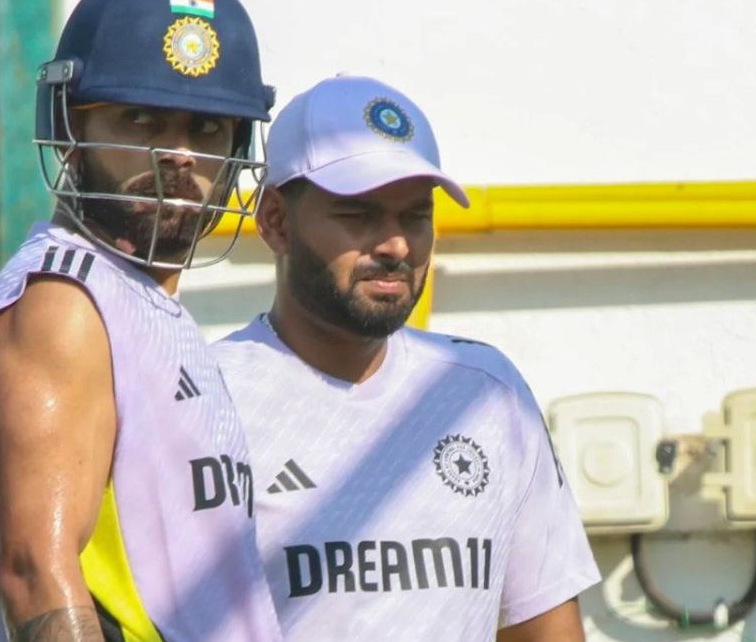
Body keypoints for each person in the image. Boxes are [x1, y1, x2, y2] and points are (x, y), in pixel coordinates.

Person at [0, 0, 281, 640]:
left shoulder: (138, 302)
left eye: (209, 126)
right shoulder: (66, 301)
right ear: (70, 124)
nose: (179, 153)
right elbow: (31, 572)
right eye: (141, 117)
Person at [211, 75, 601, 641]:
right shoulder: (207, 399)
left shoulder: (484, 393)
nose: (395, 245)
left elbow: (546, 630)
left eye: (414, 216)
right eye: (358, 215)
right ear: (275, 221)